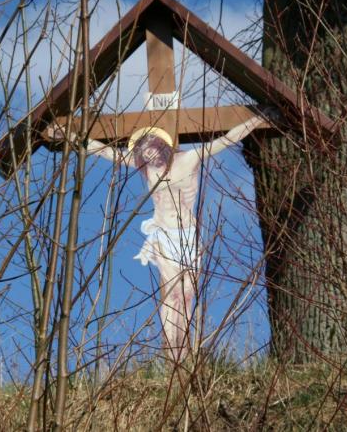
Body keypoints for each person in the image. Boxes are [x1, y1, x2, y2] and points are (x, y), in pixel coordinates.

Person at [45, 112, 271, 361]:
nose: (149, 157)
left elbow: (227, 140)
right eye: (145, 154)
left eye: (152, 151)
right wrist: (70, 135)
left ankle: (183, 348)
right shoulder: (146, 170)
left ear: (161, 146)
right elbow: (105, 152)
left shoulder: (190, 159)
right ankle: (170, 350)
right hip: (163, 235)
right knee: (171, 294)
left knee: (186, 295)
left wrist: (257, 119)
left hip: (188, 236)